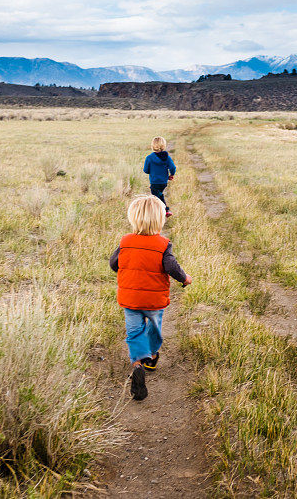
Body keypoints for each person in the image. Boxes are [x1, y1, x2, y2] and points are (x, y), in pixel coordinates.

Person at [109, 195, 192, 400]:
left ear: (133, 219)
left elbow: (113, 264)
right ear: (160, 220)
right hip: (154, 300)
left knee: (134, 332)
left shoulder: (125, 242)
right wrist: (185, 278)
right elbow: (171, 267)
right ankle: (152, 356)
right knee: (154, 327)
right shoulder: (163, 244)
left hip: (130, 298)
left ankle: (137, 364)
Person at [143, 136, 176, 218]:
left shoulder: (149, 158)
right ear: (163, 146)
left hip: (154, 182)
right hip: (164, 182)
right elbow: (173, 167)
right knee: (159, 195)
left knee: (156, 197)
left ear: (153, 146)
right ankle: (161, 211)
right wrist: (171, 175)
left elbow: (146, 170)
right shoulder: (167, 158)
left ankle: (164, 211)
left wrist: (151, 171)